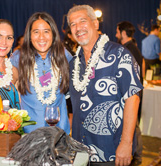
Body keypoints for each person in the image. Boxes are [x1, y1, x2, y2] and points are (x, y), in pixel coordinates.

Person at [67, 5, 143, 166]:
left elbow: (133, 98)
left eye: (82, 21)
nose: (78, 27)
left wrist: (126, 143)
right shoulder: (74, 64)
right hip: (80, 152)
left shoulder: (118, 54)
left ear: (95, 24)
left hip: (111, 151)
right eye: (73, 24)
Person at [10, 12, 72, 134]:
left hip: (58, 133)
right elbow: (6, 83)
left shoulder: (64, 55)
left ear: (53, 34)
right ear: (29, 35)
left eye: (46, 31)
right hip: (28, 134)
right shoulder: (19, 57)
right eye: (36, 32)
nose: (41, 37)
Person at [116, 21, 143, 166]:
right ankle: (137, 155)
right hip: (137, 91)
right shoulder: (135, 48)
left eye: (117, 31)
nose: (116, 34)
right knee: (135, 124)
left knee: (133, 124)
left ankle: (136, 156)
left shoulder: (125, 50)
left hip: (131, 93)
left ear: (123, 32)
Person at [63, 26, 78, 129]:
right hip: (67, 81)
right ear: (69, 35)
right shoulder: (65, 48)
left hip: (74, 80)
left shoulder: (76, 45)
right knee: (71, 110)